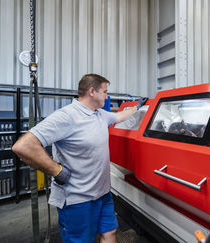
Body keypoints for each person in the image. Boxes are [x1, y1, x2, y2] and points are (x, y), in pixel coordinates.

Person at [12, 74, 148, 243]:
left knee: (109, 233)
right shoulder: (67, 116)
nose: (107, 96)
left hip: (103, 193)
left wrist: (139, 107)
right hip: (78, 199)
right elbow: (23, 146)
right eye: (105, 92)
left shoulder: (100, 115)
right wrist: (57, 170)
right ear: (92, 91)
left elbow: (119, 117)